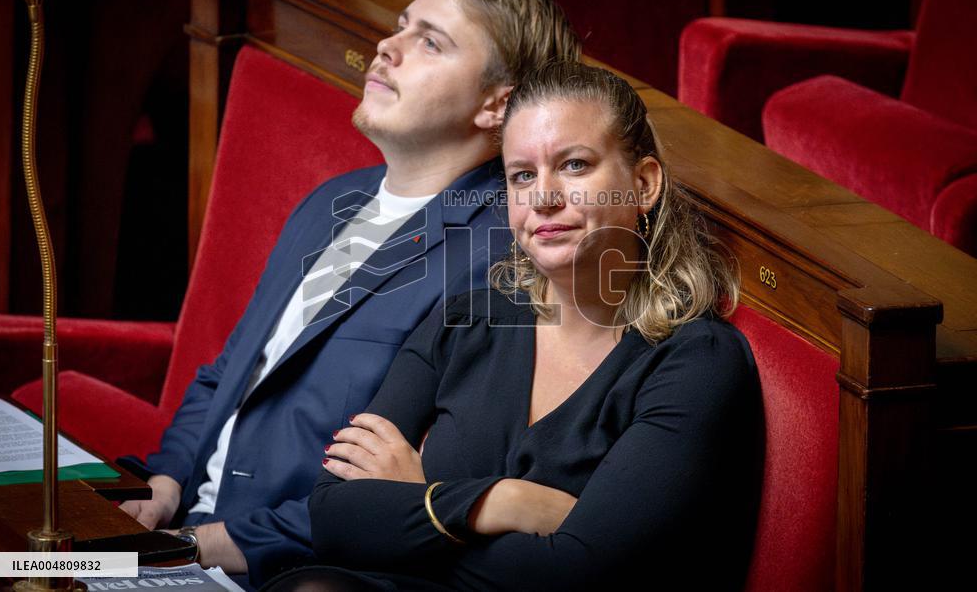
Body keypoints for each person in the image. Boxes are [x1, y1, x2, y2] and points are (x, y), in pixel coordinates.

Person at [117, 0, 581, 587]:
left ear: (496, 105)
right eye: (400, 26)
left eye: (430, 41)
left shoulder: (500, 256)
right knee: (8, 560)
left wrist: (203, 544)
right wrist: (166, 484)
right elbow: (230, 371)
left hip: (281, 568)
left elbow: (413, 489)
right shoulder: (329, 201)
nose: (387, 47)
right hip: (177, 534)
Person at [284, 62, 764, 591]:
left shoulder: (696, 361)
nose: (544, 197)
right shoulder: (470, 316)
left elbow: (578, 574)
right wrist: (503, 502)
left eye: (575, 165)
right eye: (522, 175)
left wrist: (417, 501)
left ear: (644, 183)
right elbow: (331, 516)